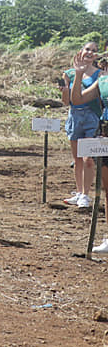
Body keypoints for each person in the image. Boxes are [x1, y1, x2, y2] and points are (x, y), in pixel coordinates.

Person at [67, 49, 108, 254]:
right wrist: (79, 74)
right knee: (107, 191)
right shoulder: (102, 80)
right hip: (105, 133)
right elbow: (77, 99)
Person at [60, 41, 101, 208]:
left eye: (94, 51)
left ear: (97, 55)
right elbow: (65, 102)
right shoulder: (68, 74)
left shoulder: (100, 74)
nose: (90, 52)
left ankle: (86, 194)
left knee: (88, 159)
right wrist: (64, 91)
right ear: (81, 51)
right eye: (87, 49)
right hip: (75, 116)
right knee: (77, 159)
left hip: (92, 117)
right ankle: (78, 192)